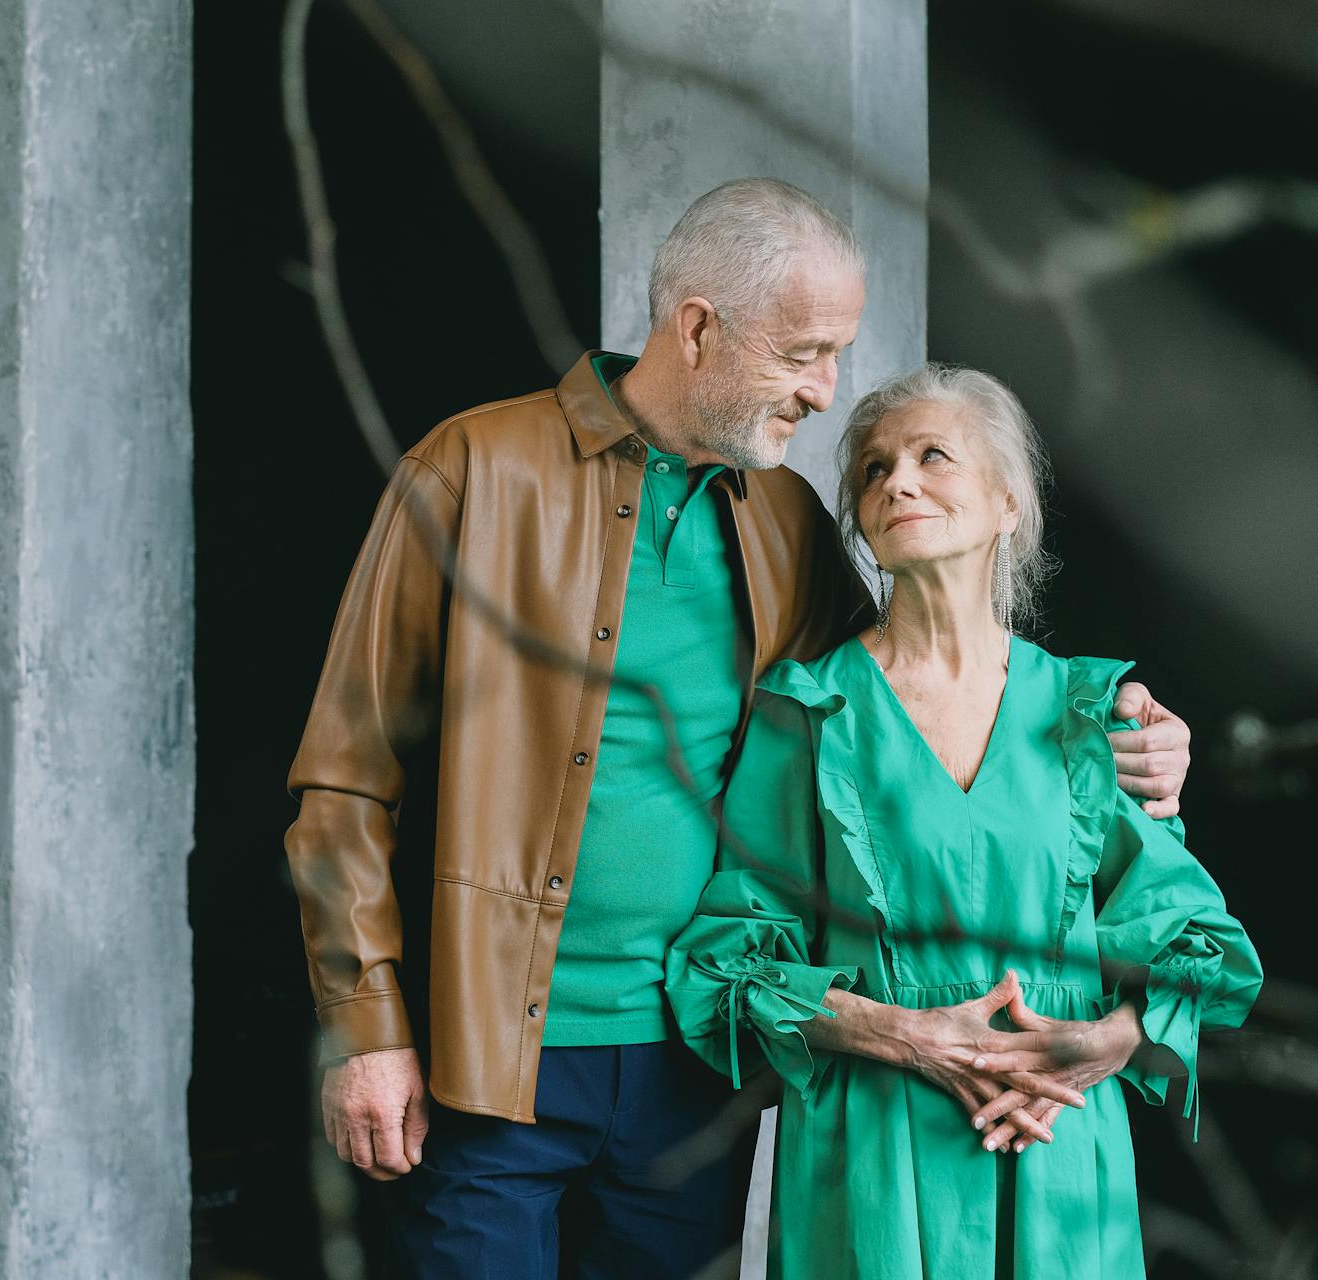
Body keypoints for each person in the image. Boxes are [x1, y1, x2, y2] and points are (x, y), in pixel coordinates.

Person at [284, 180, 1194, 1276]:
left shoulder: (786, 521)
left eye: (836, 354)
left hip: (696, 1064)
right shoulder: (472, 469)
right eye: (805, 351)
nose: (826, 392)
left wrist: (1133, 737)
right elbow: (344, 777)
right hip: (485, 1051)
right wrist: (366, 1019)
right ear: (699, 327)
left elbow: (923, 705)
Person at [664, 364, 1261, 1278]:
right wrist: (905, 1033)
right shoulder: (810, 710)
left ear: (1008, 502)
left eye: (932, 456)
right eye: (872, 470)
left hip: (1058, 1142)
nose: (896, 481)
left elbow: (1199, 945)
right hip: (873, 1151)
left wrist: (1101, 1045)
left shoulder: (1088, 712)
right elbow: (731, 964)